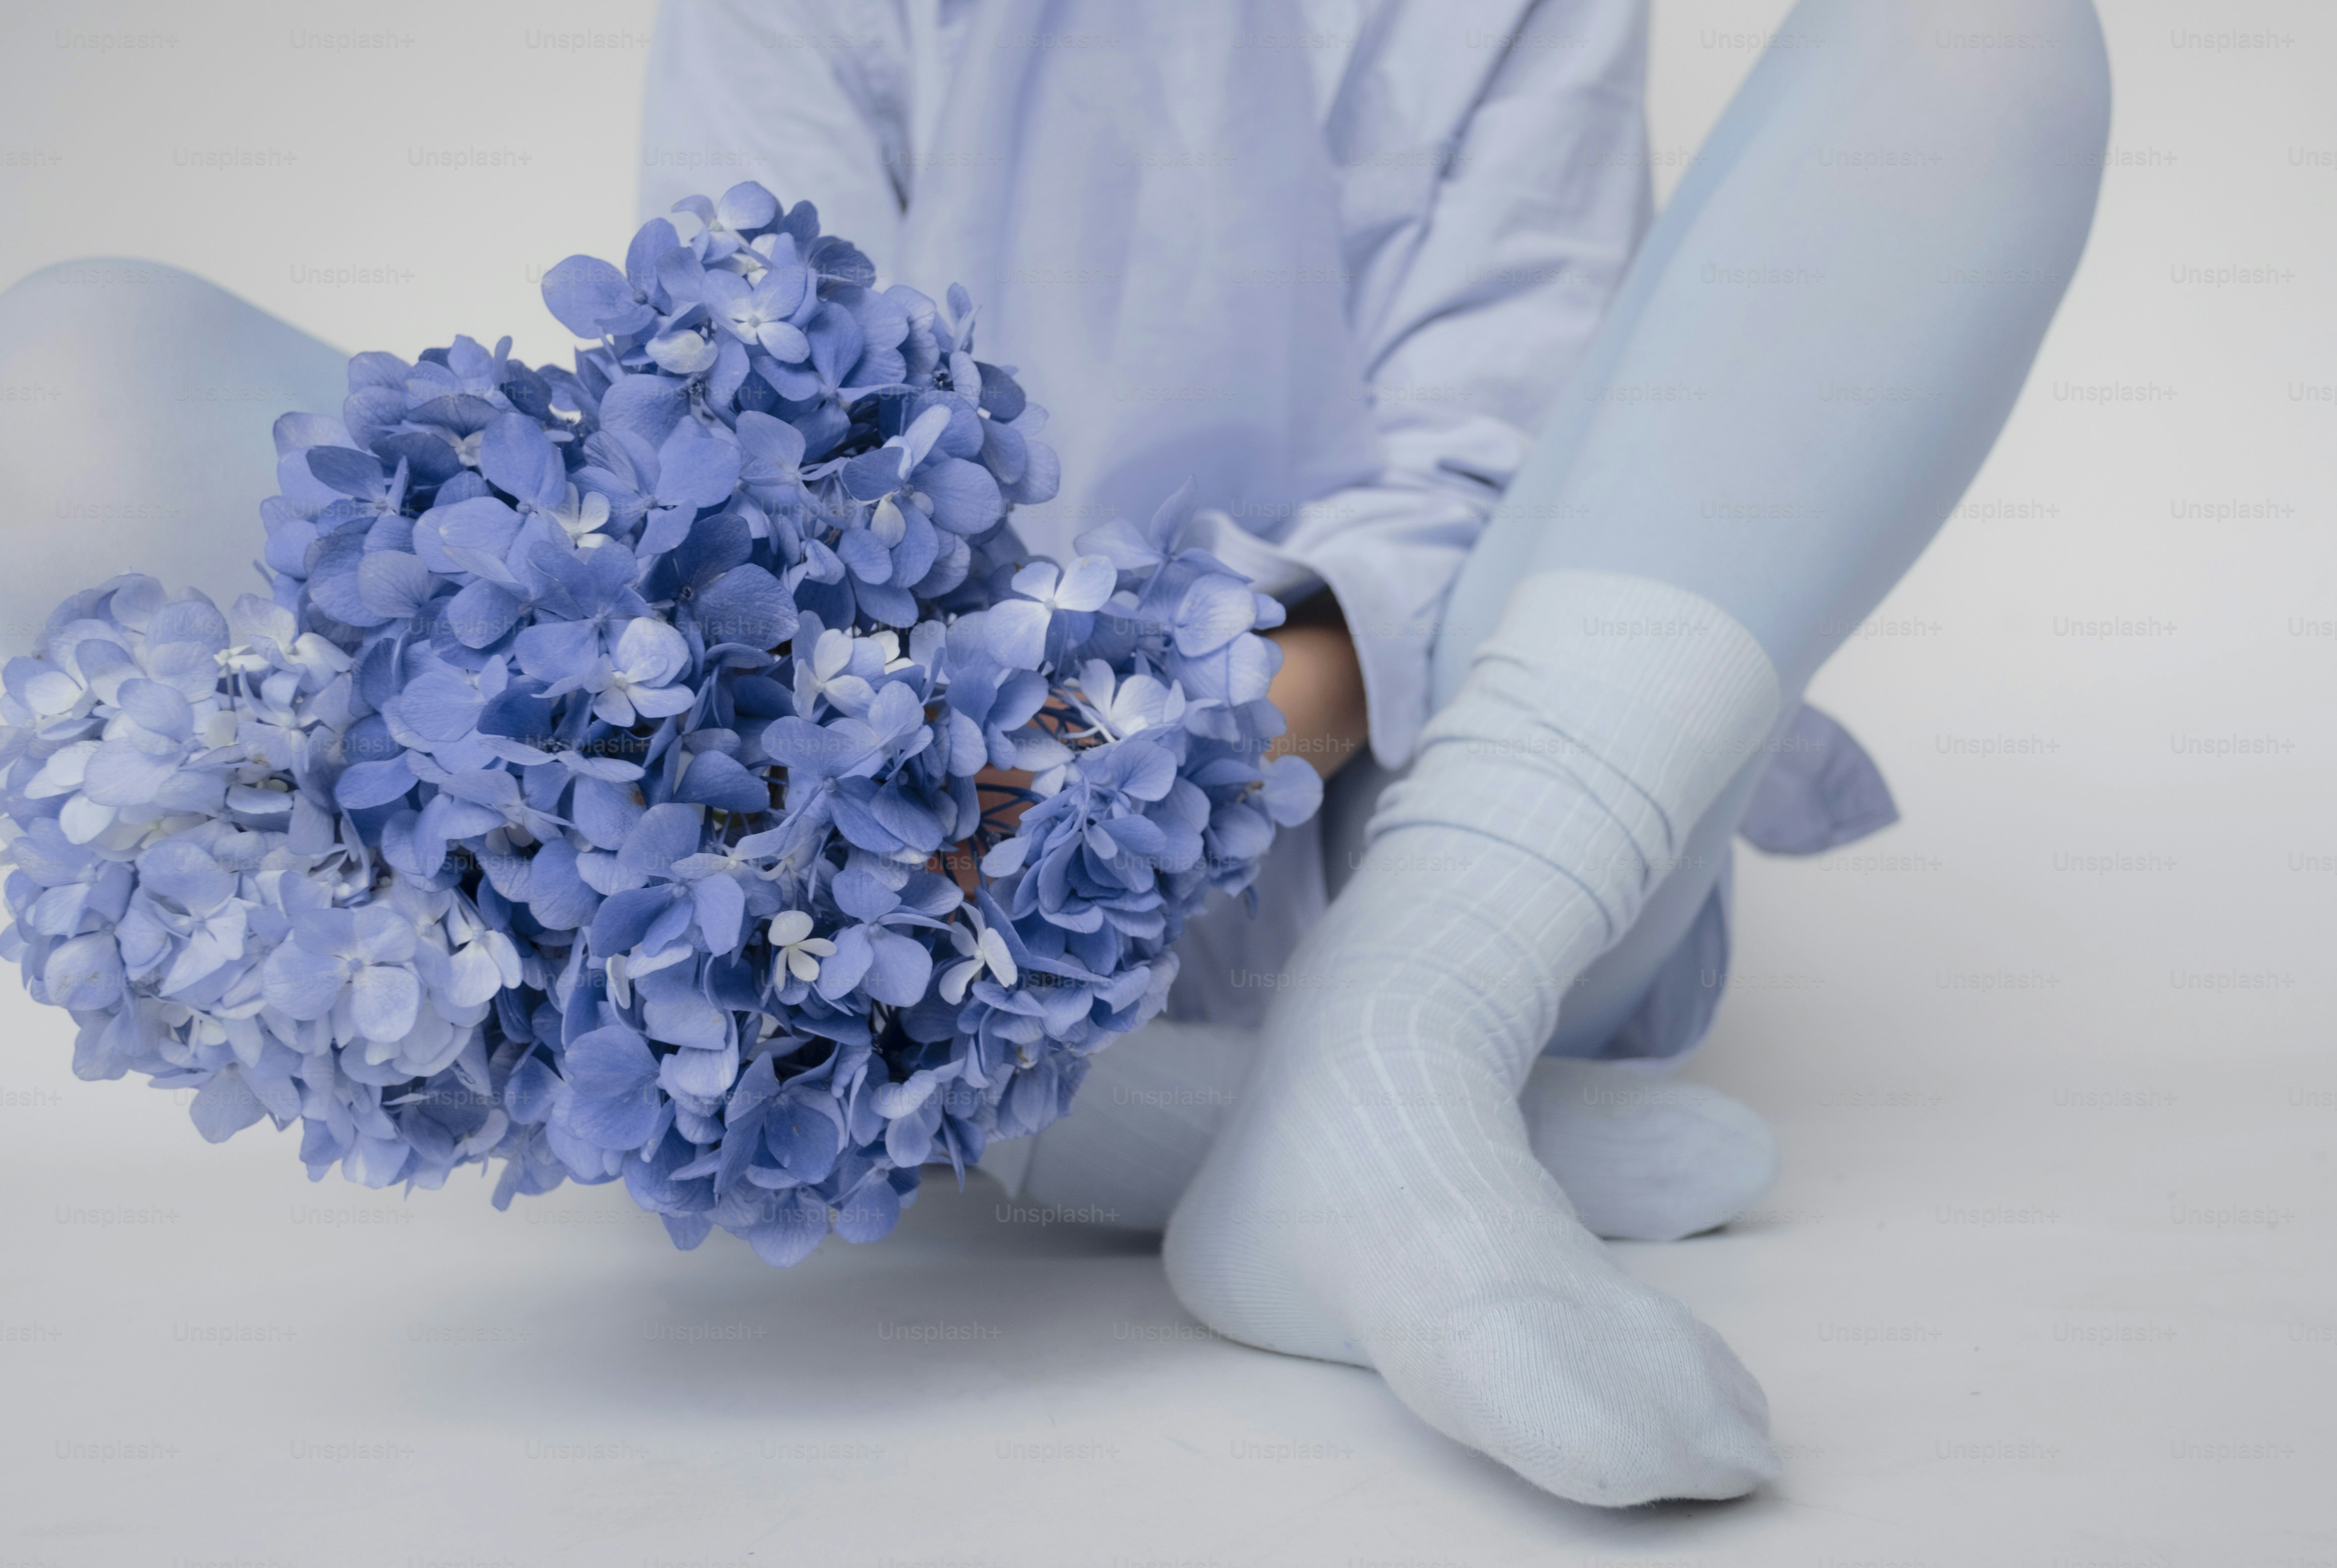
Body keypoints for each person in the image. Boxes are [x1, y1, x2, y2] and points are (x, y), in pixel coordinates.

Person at [0, 0, 2108, 1509]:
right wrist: (880, 795)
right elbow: (731, 433)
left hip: (1460, 832)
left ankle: (1402, 1041)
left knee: (1977, 39)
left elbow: (1475, 474)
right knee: (61, 381)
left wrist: (1109, 752)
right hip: (875, 934)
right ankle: (1237, 1136)